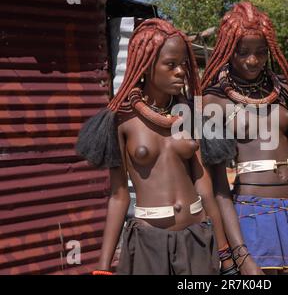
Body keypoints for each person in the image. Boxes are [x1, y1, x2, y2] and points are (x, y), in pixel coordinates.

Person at [76, 18, 236, 275]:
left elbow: (204, 188)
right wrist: (103, 268)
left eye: (183, 64)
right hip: (149, 244)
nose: (181, 72)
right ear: (148, 66)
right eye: (170, 65)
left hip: (196, 238)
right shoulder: (122, 121)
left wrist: (226, 255)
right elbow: (118, 196)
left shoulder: (191, 117)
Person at [200, 2, 288, 275]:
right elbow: (219, 186)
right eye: (243, 52)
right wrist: (241, 255)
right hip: (250, 216)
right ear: (226, 50)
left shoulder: (285, 90)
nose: (253, 60)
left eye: (260, 52)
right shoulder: (213, 101)